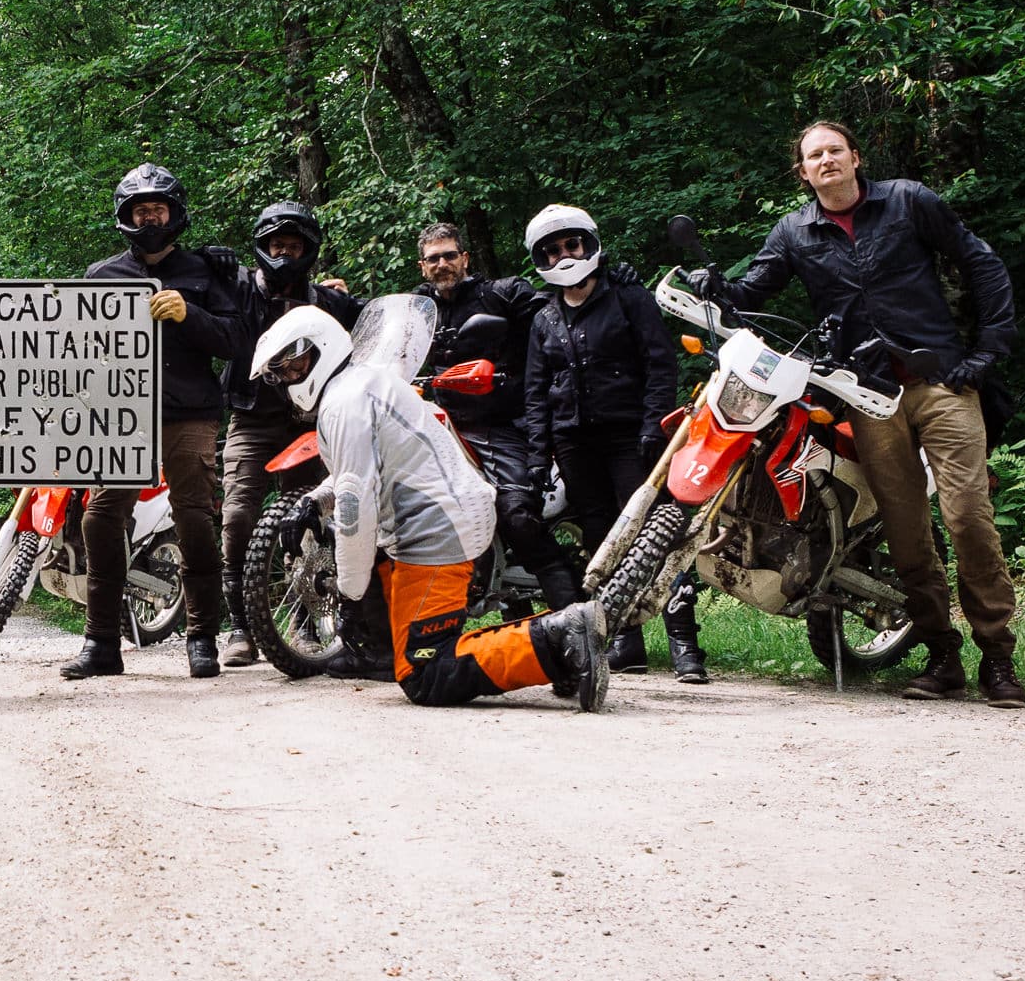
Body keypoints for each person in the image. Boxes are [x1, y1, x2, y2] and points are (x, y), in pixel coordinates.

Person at [721, 119, 1025, 706]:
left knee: (967, 518)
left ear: (856, 158)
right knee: (907, 532)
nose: (827, 160)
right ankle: (941, 654)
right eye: (815, 155)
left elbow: (980, 262)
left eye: (836, 149)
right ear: (803, 172)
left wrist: (988, 349)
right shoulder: (793, 232)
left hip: (941, 383)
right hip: (867, 397)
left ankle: (998, 657)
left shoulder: (908, 201)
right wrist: (714, 284)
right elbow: (749, 293)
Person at [250, 304, 610, 710]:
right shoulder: (360, 384)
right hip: (439, 518)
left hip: (434, 532)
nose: (289, 377)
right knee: (399, 630)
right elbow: (364, 469)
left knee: (425, 673)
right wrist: (316, 502)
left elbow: (354, 503)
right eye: (281, 371)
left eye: (295, 364)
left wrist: (349, 588)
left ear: (324, 349)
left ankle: (561, 636)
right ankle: (383, 649)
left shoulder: (344, 403)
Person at [61, 164, 242, 682]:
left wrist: (191, 314)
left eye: (158, 208)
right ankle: (101, 642)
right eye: (141, 210)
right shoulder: (101, 276)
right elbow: (72, 350)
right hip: (121, 415)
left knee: (193, 517)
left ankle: (201, 636)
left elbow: (235, 341)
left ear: (174, 212)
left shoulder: (206, 271)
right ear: (125, 216)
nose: (150, 217)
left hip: (189, 410)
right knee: (101, 515)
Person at [520, 205, 695, 680]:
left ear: (589, 244)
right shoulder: (545, 319)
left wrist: (653, 426)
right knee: (600, 537)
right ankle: (625, 640)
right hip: (573, 442)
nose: (564, 255)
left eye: (571, 245)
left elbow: (661, 363)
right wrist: (539, 458)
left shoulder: (629, 297)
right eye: (553, 250)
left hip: (628, 435)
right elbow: (535, 393)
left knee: (653, 533)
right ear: (541, 257)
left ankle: (685, 644)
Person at [218, 202, 362, 667]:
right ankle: (240, 625)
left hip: (312, 422)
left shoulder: (331, 302)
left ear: (310, 250)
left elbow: (369, 337)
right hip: (253, 416)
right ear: (262, 248)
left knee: (315, 517)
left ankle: (308, 619)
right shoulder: (237, 291)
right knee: (238, 513)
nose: (284, 253)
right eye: (276, 245)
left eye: (294, 246)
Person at [411, 223, 582, 614]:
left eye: (450, 255)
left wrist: (603, 281)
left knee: (515, 511)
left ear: (464, 258)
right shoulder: (418, 307)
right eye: (434, 258)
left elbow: (559, 312)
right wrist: (331, 299)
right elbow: (376, 330)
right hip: (441, 426)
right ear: (423, 266)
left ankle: (573, 614)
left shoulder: (501, 294)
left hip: (501, 424)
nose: (443, 264)